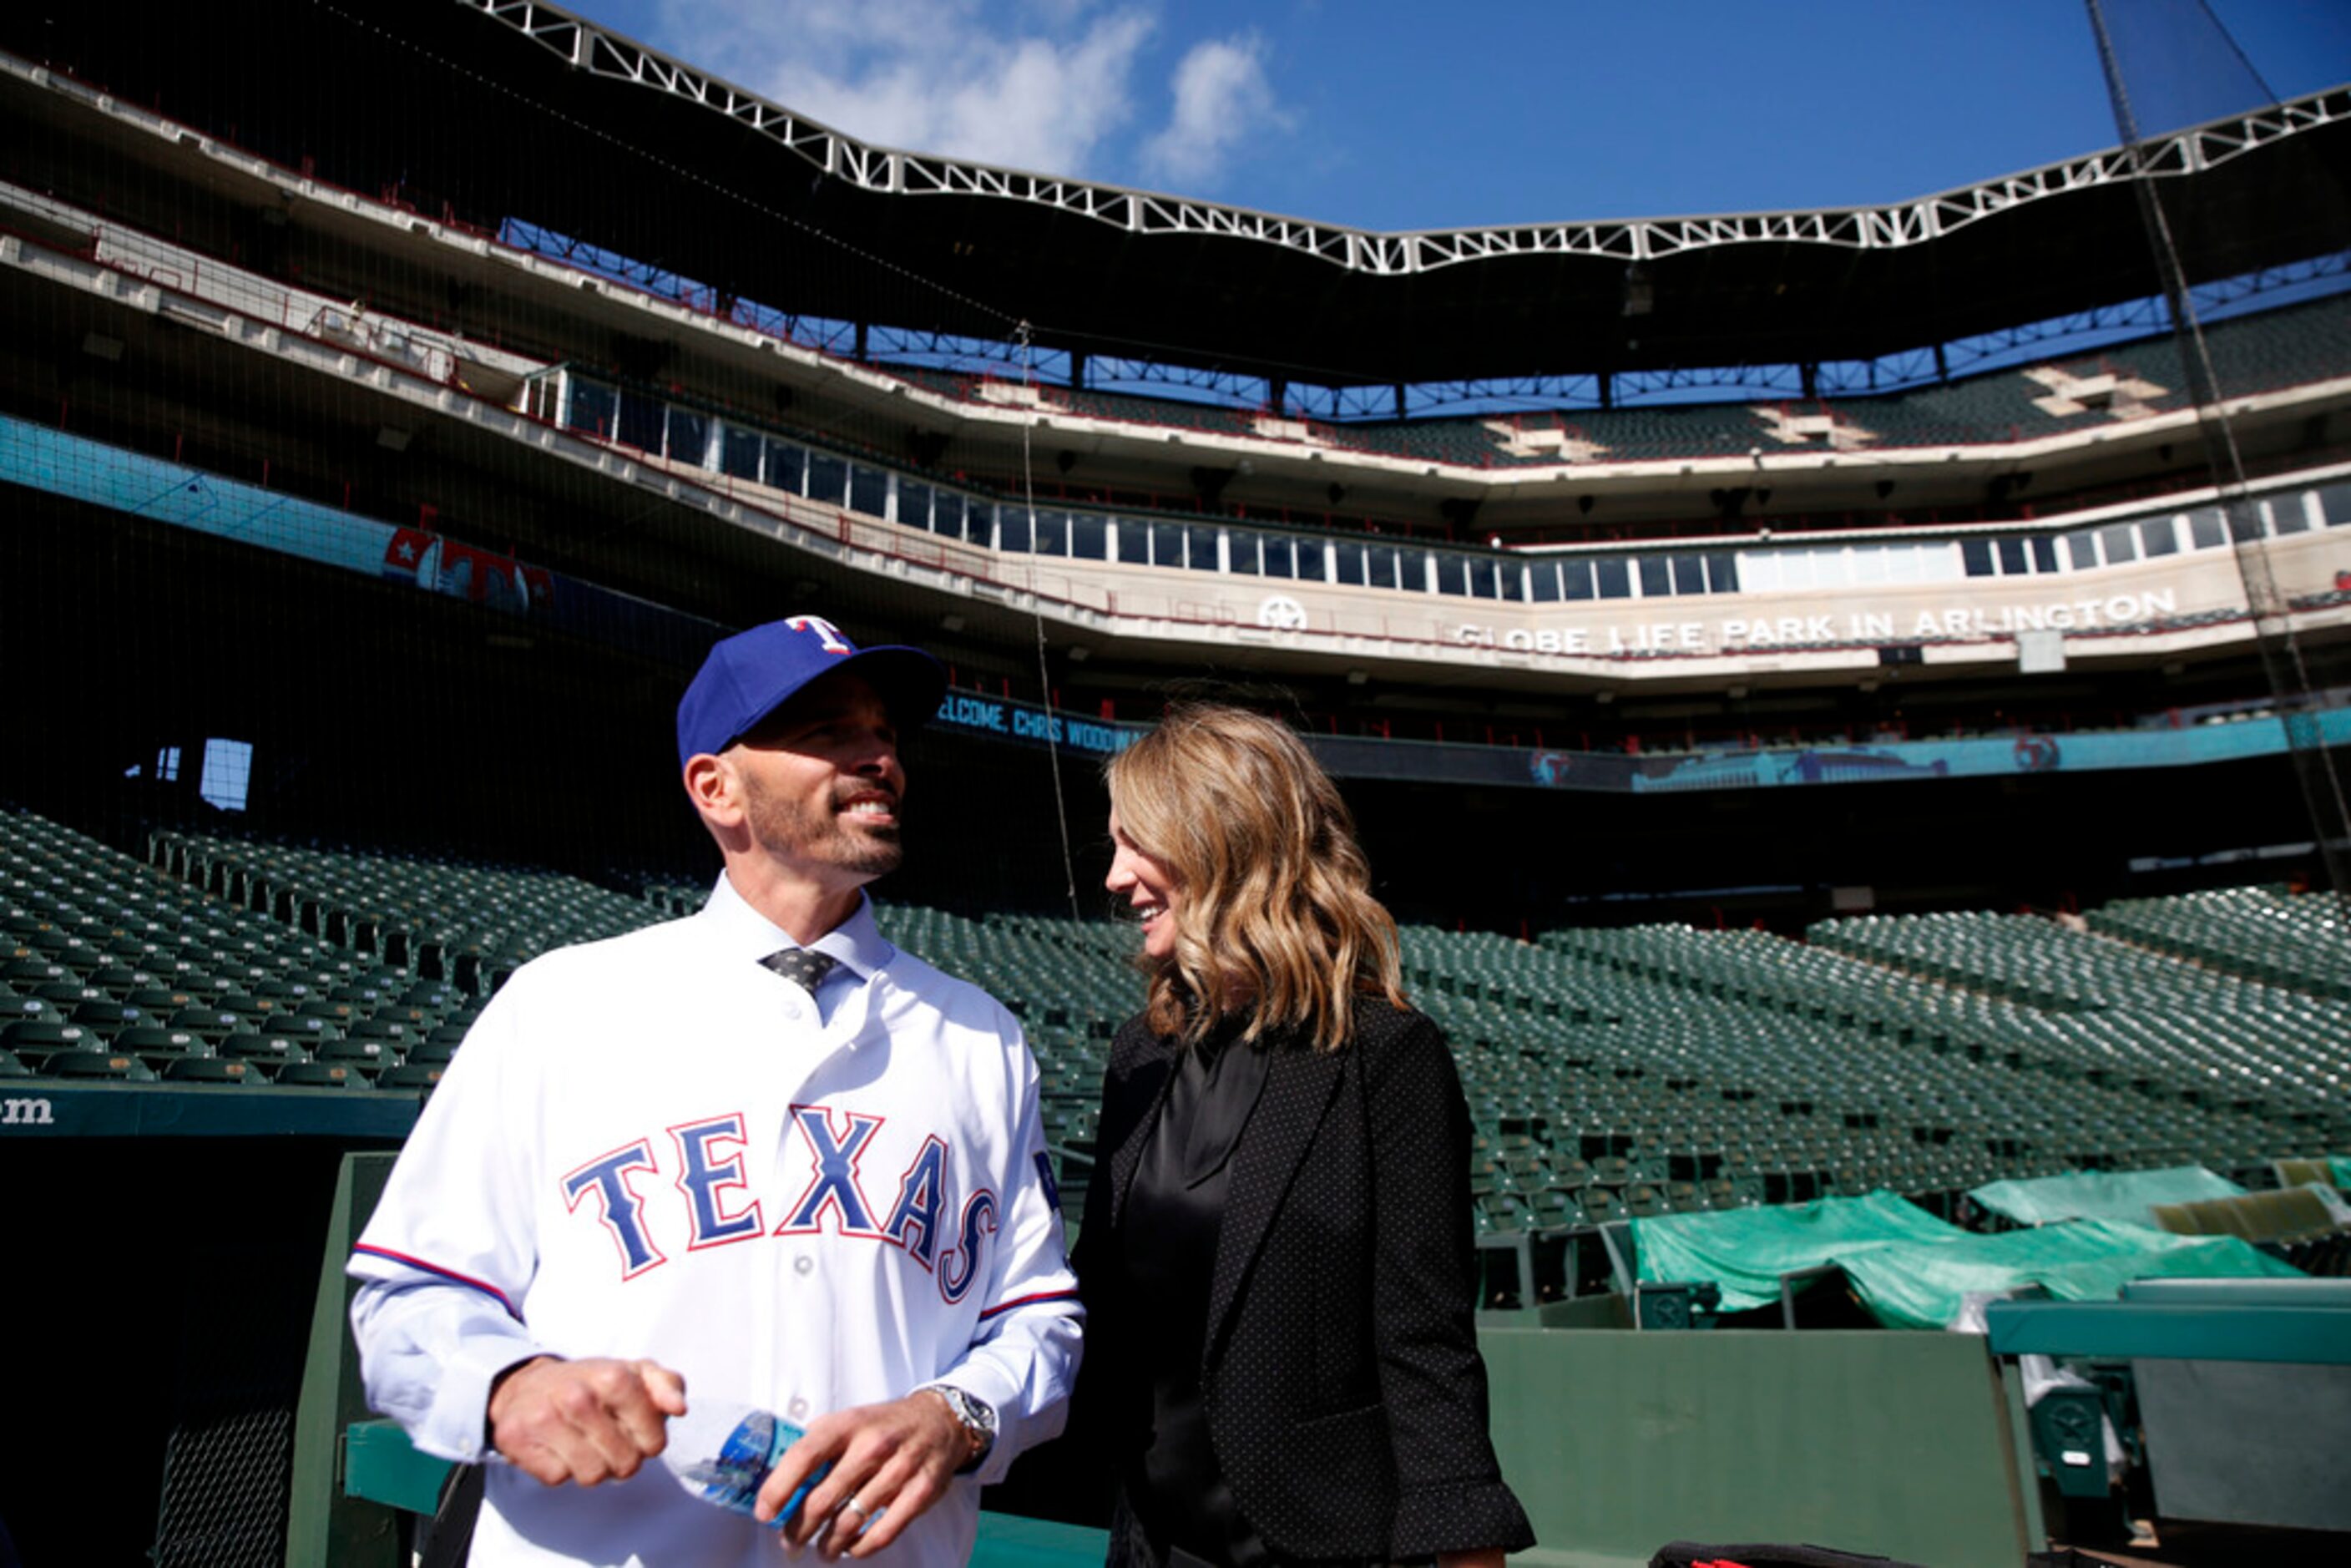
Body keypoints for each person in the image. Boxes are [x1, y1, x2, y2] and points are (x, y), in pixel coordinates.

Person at [349, 614, 1083, 1566]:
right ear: (716, 788)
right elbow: (408, 1300)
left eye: (887, 735)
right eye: (829, 733)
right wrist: (507, 1384)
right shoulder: (562, 1003)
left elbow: (1036, 1319)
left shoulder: (980, 1033)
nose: (880, 760)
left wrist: (959, 1415)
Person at [1075, 703, 1534, 1568]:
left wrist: (1466, 1539)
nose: (1113, 877)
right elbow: (1095, 1299)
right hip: (1152, 1540)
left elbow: (1423, 1336)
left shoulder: (1386, 1056)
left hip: (1320, 1544)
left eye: (1137, 843)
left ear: (1221, 841)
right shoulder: (1139, 1054)